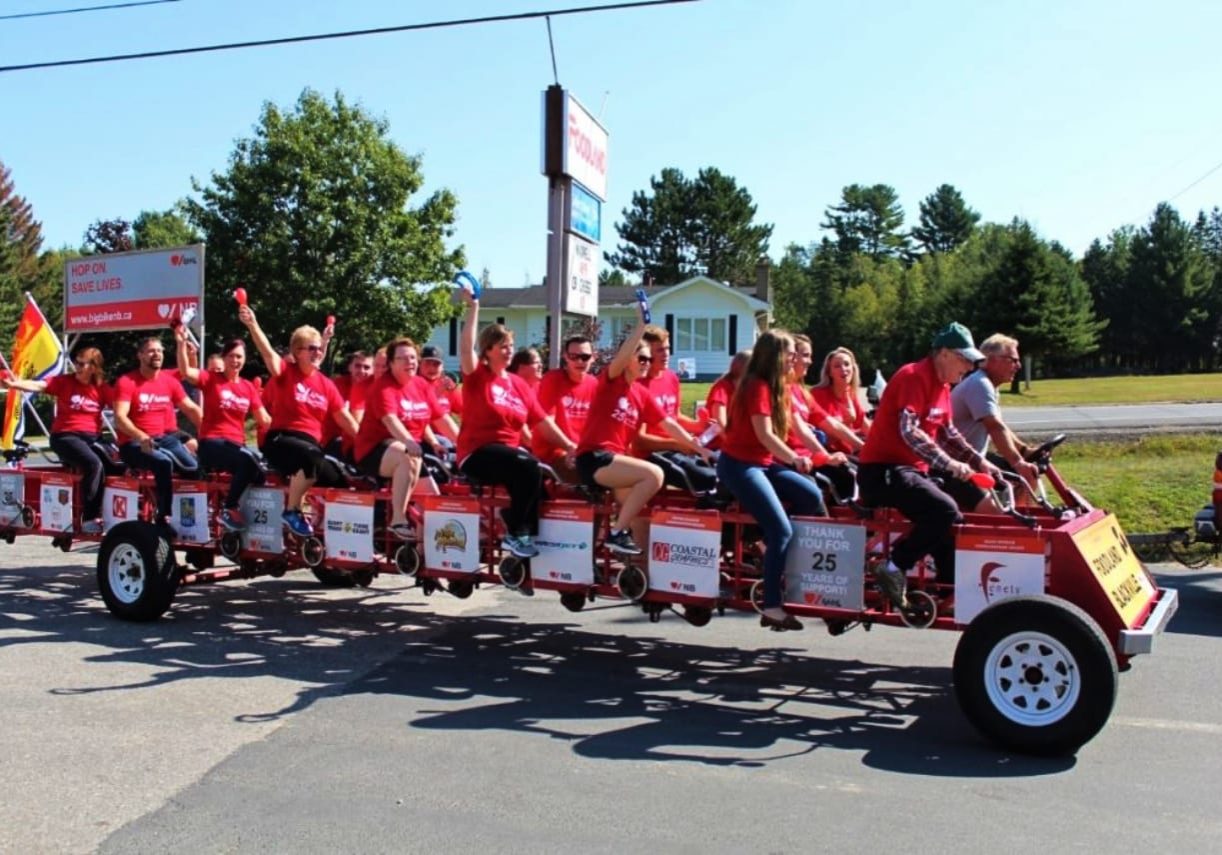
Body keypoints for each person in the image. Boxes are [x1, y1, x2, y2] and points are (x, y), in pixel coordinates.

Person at [857, 322, 1006, 607]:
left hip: (909, 471)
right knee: (945, 510)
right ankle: (892, 567)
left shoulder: (944, 387)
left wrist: (980, 461)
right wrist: (951, 464)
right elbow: (909, 430)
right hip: (882, 471)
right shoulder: (913, 376)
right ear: (944, 354)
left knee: (953, 520)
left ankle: (946, 593)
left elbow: (948, 433)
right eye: (964, 359)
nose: (969, 367)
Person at [716, 329, 828, 632]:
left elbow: (799, 427)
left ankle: (767, 543)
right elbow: (765, 435)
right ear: (775, 355)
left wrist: (823, 455)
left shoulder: (780, 387)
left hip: (762, 464)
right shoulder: (757, 386)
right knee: (782, 530)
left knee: (811, 495)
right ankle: (772, 607)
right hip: (739, 465)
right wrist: (794, 458)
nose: (794, 357)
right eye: (790, 352)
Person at [575, 307, 711, 554]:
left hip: (616, 462)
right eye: (642, 359)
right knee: (654, 475)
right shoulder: (612, 382)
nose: (647, 363)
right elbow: (623, 353)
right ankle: (615, 534)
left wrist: (699, 448)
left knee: (641, 517)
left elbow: (669, 424)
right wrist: (641, 324)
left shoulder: (641, 394)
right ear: (629, 360)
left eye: (650, 359)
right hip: (594, 458)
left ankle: (635, 570)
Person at [456, 288, 578, 558]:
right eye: (503, 347)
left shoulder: (518, 385)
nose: (509, 351)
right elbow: (466, 349)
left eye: (511, 346)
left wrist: (570, 445)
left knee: (541, 482)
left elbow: (542, 421)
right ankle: (515, 532)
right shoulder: (478, 376)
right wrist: (474, 307)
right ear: (488, 350)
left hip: (509, 455)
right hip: (477, 454)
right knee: (527, 465)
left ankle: (525, 556)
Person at [240, 305, 359, 538]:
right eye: (312, 348)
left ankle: (329, 534)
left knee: (338, 478)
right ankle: (292, 511)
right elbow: (267, 353)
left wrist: (367, 440)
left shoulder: (326, 384)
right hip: (282, 440)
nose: (318, 352)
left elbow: (344, 418)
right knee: (311, 457)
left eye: (319, 348)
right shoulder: (287, 373)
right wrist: (253, 324)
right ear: (297, 351)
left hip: (310, 447)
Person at [354, 336, 458, 539]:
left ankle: (421, 550)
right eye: (402, 358)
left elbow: (441, 419)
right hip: (374, 450)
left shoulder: (421, 385)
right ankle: (398, 519)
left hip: (410, 453)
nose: (409, 362)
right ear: (391, 363)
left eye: (412, 357)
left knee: (432, 500)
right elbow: (390, 420)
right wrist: (409, 441)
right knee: (405, 455)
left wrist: (465, 443)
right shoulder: (383, 387)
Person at [1, 347, 113, 533]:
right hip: (65, 436)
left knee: (117, 465)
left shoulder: (101, 387)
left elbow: (121, 404)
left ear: (94, 367)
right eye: (76, 362)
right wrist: (15, 384)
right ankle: (89, 518)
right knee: (94, 464)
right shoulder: (64, 382)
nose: (76, 366)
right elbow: (39, 385)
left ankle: (114, 513)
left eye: (82, 363)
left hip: (93, 438)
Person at [173, 330, 270, 532]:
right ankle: (228, 508)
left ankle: (246, 525)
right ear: (224, 358)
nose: (235, 361)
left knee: (261, 473)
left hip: (236, 446)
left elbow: (264, 419)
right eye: (232, 356)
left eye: (240, 357)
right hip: (212, 443)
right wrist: (181, 343)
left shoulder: (248, 387)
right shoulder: (211, 379)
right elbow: (185, 371)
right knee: (247, 461)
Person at [112, 335, 203, 531]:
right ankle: (164, 516)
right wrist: (140, 435)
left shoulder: (168, 381)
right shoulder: (127, 382)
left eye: (160, 351)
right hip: (134, 443)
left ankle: (191, 518)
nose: (157, 354)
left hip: (163, 438)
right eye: (152, 351)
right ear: (140, 355)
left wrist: (209, 430)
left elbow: (191, 408)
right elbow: (120, 418)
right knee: (163, 463)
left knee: (194, 468)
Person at [632, 325, 717, 493]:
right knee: (708, 480)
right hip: (651, 455)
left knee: (722, 469)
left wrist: (699, 426)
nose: (666, 355)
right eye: (659, 351)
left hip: (676, 448)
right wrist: (677, 444)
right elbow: (639, 441)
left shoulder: (671, 377)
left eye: (667, 348)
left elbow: (674, 416)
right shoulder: (637, 385)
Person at [950, 333, 1041, 487]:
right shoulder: (980, 384)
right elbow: (995, 428)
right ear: (991, 360)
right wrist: (1018, 463)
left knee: (1028, 473)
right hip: (960, 463)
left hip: (974, 456)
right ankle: (1016, 511)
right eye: (1012, 360)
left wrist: (1024, 450)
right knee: (1023, 477)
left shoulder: (988, 384)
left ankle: (1020, 510)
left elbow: (999, 425)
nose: (1018, 365)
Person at [787, 335, 860, 502]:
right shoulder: (784, 391)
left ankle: (860, 524)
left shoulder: (802, 392)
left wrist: (864, 446)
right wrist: (826, 457)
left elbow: (832, 424)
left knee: (863, 468)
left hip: (813, 456)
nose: (810, 361)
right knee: (845, 477)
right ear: (792, 357)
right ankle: (844, 525)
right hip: (797, 459)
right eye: (805, 355)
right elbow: (802, 430)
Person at [532, 335, 598, 481]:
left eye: (585, 357)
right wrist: (569, 448)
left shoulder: (594, 384)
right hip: (554, 454)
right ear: (565, 357)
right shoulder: (553, 379)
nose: (579, 361)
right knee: (596, 476)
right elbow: (546, 424)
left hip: (582, 453)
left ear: (594, 357)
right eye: (573, 356)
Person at [810, 346, 872, 451]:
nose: (843, 369)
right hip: (831, 454)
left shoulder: (850, 394)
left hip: (852, 450)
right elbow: (822, 441)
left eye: (847, 364)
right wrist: (846, 422)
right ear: (829, 372)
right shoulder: (817, 395)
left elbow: (868, 429)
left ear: (853, 368)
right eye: (837, 366)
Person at [322, 350, 374, 458]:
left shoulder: (376, 389)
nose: (361, 370)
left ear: (373, 370)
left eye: (367, 367)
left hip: (363, 440)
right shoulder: (335, 386)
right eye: (357, 366)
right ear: (350, 367)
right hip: (334, 438)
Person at [705, 349, 751, 435]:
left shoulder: (747, 388)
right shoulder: (722, 387)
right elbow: (719, 421)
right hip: (717, 439)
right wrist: (733, 442)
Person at [419, 345, 463, 421]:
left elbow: (463, 411)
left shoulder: (446, 384)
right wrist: (437, 394)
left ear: (442, 367)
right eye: (427, 363)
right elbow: (417, 413)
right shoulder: (413, 384)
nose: (431, 368)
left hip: (445, 430)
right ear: (419, 364)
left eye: (436, 364)